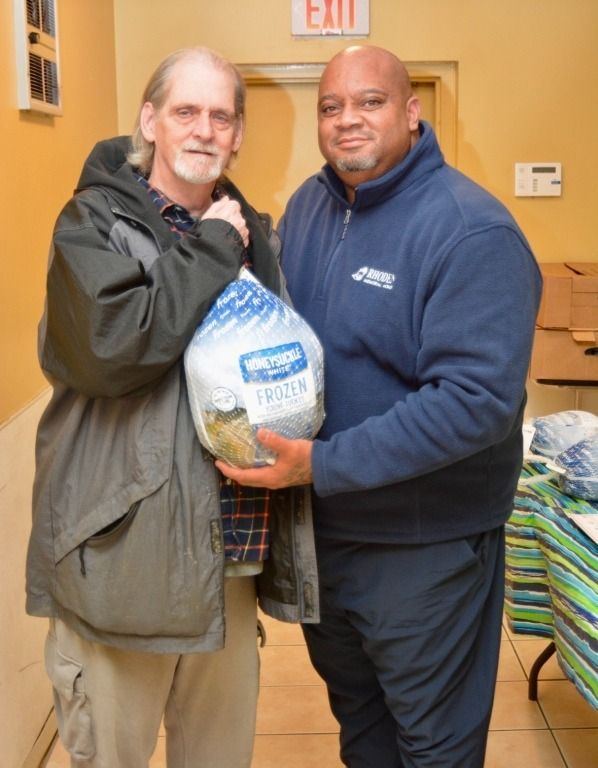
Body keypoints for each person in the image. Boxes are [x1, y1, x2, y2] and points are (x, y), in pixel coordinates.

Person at [217, 45, 543, 767]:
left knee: (433, 745)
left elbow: (475, 402)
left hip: (422, 548)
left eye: (370, 102)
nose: (347, 121)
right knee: (362, 730)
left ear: (412, 111)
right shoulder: (309, 206)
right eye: (331, 107)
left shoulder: (469, 231)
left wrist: (321, 464)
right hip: (325, 539)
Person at [25, 47, 318, 768]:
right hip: (126, 562)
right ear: (150, 121)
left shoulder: (257, 232)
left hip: (228, 564)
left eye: (221, 115)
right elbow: (110, 346)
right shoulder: (92, 223)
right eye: (185, 110)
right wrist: (216, 247)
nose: (203, 129)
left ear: (239, 134)